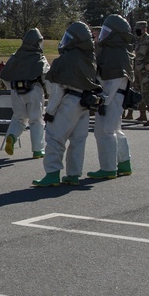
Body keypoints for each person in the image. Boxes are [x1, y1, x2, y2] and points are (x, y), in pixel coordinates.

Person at [32, 21, 102, 187]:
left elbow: (57, 89)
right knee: (78, 140)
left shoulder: (66, 59)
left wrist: (50, 111)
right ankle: (73, 174)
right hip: (85, 103)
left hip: (68, 102)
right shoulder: (89, 57)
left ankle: (52, 173)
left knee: (55, 138)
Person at [89, 14, 134, 180]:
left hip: (112, 98)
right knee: (116, 130)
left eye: (107, 32)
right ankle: (124, 164)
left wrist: (102, 101)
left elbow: (113, 82)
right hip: (116, 98)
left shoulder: (115, 53)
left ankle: (108, 168)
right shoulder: (118, 51)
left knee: (104, 131)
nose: (103, 35)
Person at [0, 28, 48, 159]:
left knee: (19, 118)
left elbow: (5, 75)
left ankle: (11, 136)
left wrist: (11, 88)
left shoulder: (15, 56)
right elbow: (46, 77)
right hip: (34, 90)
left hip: (16, 91)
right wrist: (50, 93)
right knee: (36, 120)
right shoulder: (39, 57)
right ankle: (38, 150)